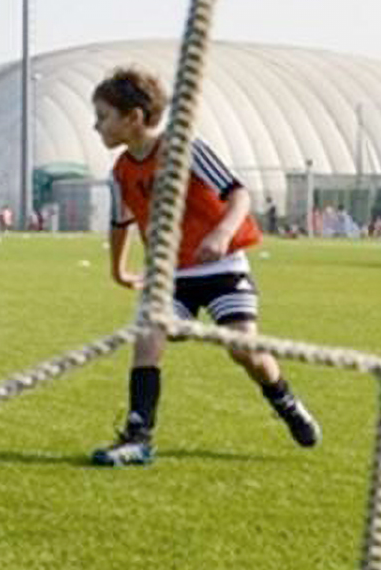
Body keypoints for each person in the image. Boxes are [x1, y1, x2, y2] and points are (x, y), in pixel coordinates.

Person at [87, 66, 319, 467]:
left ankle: (284, 398)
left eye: (103, 116)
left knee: (243, 349)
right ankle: (138, 436)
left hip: (222, 268)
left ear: (135, 118)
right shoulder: (121, 172)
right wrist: (118, 271)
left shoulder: (185, 150)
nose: (96, 126)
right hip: (169, 277)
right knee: (149, 337)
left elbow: (238, 194)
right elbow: (120, 223)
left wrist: (222, 234)